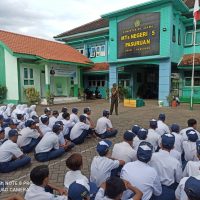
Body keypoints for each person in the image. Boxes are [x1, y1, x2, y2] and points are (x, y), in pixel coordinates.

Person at [149, 133, 182, 200]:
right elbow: (178, 179)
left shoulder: (151, 156)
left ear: (160, 144)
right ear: (173, 147)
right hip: (169, 189)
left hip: (152, 186)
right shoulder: (175, 162)